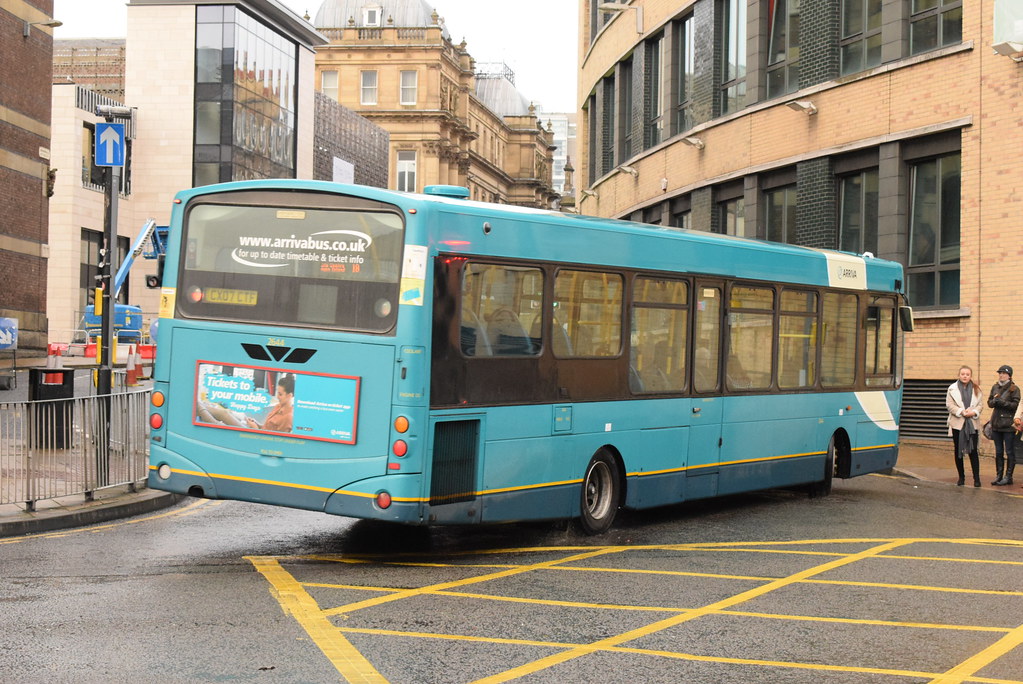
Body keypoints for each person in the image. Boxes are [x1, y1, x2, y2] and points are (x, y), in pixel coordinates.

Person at [946, 366, 982, 487]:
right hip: (958, 424)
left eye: (967, 374)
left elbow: (980, 405)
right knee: (958, 451)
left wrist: (973, 412)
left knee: (973, 451)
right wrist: (961, 411)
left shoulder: (977, 389)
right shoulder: (952, 389)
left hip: (972, 424)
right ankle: (961, 477)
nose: (965, 376)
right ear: (959, 375)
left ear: (970, 376)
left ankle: (976, 479)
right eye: (963, 374)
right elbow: (949, 405)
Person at [987, 364, 1020, 485]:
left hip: (1008, 425)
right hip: (996, 424)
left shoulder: (1014, 389)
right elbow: (989, 403)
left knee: (1009, 451)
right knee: (998, 451)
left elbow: (1016, 406)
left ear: (1009, 376)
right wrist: (993, 402)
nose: (1001, 375)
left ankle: (1008, 476)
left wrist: (1003, 402)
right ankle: (999, 475)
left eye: (1004, 373)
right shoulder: (995, 387)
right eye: (1000, 373)